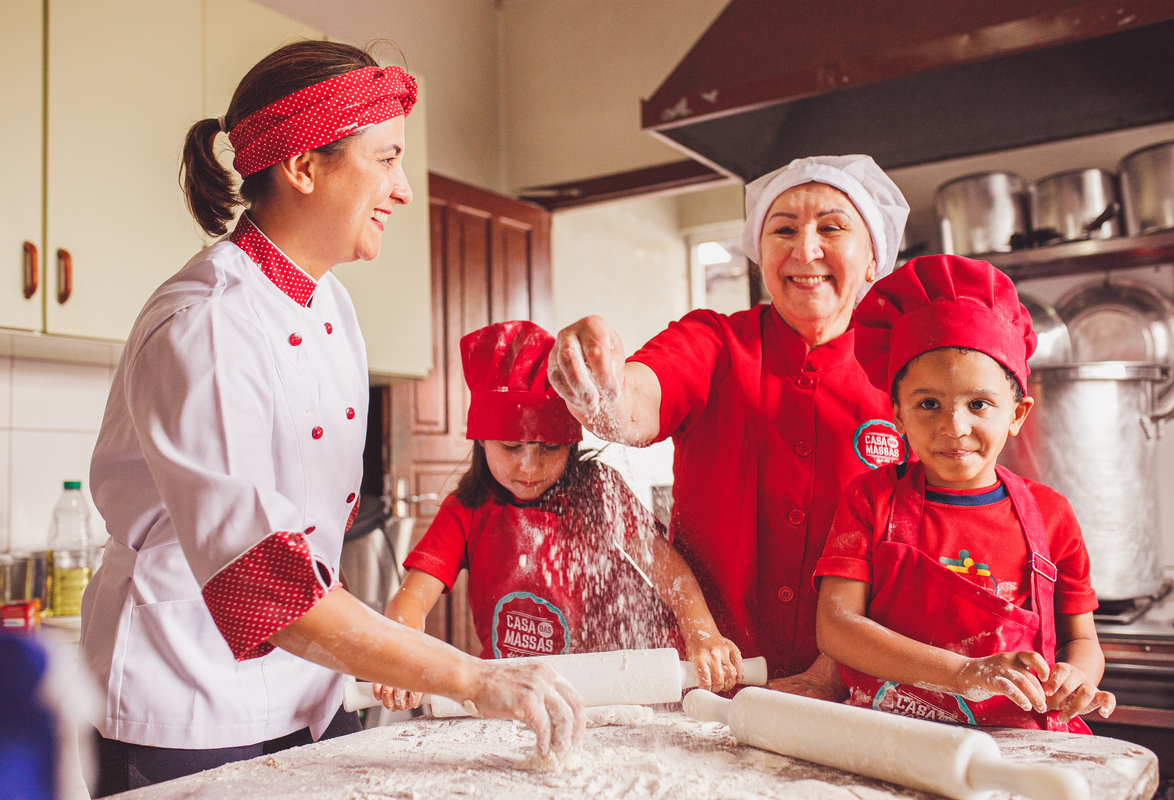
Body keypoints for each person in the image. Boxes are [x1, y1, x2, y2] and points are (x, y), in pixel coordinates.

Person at [82, 41, 581, 796]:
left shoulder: (329, 302)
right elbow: (267, 583)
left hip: (308, 693)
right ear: (304, 167)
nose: (403, 189)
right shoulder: (209, 325)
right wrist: (468, 676)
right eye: (385, 160)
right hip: (189, 705)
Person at [547, 155, 909, 697]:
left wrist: (833, 673)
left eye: (831, 227)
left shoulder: (906, 371)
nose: (804, 249)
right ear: (760, 255)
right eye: (782, 229)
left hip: (855, 690)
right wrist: (604, 390)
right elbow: (636, 402)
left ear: (874, 258)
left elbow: (920, 534)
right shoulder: (715, 342)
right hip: (708, 681)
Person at [370, 321, 744, 711]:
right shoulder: (467, 512)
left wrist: (702, 632)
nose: (529, 466)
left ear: (570, 443)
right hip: (518, 695)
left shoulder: (598, 491)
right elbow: (410, 600)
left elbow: (666, 568)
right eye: (511, 446)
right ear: (481, 439)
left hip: (613, 688)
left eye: (549, 448)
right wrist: (402, 658)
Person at [814, 254, 1115, 731]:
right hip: (894, 740)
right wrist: (965, 674)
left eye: (979, 404)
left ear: (1017, 415)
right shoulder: (871, 501)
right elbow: (836, 628)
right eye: (928, 404)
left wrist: (1077, 677)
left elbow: (1083, 640)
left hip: (1019, 748)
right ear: (897, 414)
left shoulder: (1050, 515)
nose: (954, 427)